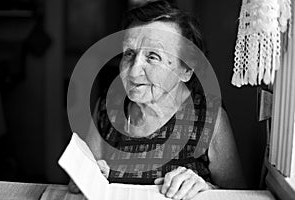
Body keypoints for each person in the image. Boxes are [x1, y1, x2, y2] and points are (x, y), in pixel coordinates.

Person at [69, 1, 246, 199]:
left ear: (186, 69)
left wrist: (207, 189)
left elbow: (238, 195)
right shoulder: (107, 109)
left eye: (153, 56)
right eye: (129, 54)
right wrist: (85, 179)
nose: (134, 71)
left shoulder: (209, 118)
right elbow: (80, 185)